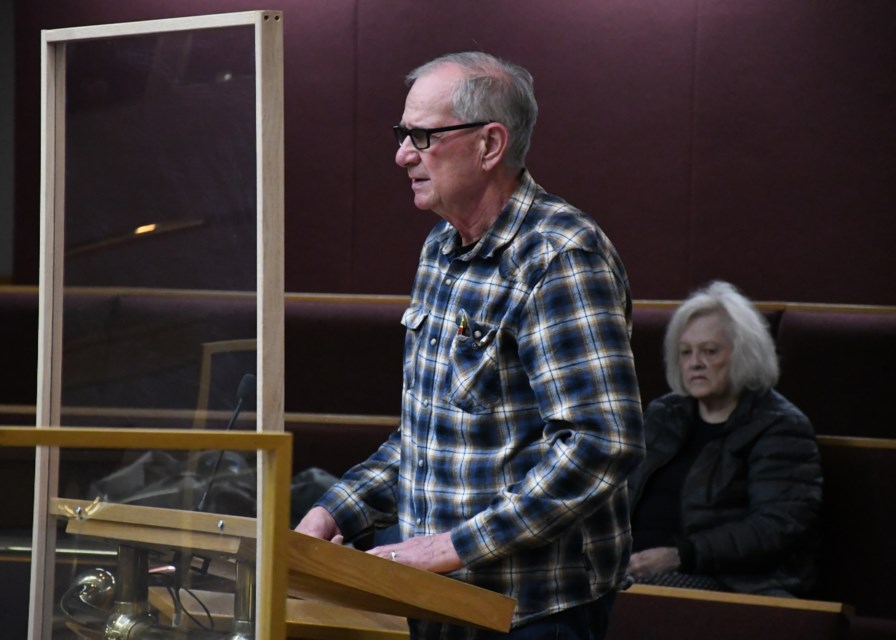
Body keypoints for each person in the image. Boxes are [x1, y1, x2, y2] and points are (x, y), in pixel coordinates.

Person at [295, 51, 644, 639]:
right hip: (433, 595)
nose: (402, 154)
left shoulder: (559, 255)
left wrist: (451, 548)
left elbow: (600, 444)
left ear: (489, 145)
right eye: (403, 134)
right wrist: (335, 509)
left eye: (423, 136)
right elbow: (431, 435)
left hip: (532, 609)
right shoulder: (440, 248)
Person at [626, 280, 822, 597]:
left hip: (728, 582)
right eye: (685, 352)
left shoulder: (781, 427)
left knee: (613, 596)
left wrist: (679, 555)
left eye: (710, 351)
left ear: (745, 353)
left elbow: (775, 528)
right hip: (634, 568)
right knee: (526, 585)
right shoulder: (664, 415)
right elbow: (620, 492)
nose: (695, 363)